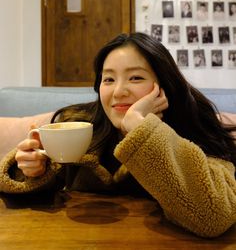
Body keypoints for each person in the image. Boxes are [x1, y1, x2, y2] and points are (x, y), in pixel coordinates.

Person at [0, 32, 235, 239]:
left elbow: (212, 215)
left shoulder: (195, 129)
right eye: (109, 79)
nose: (119, 91)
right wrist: (31, 171)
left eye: (136, 78)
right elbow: (24, 191)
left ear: (164, 87)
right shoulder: (80, 125)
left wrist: (141, 129)